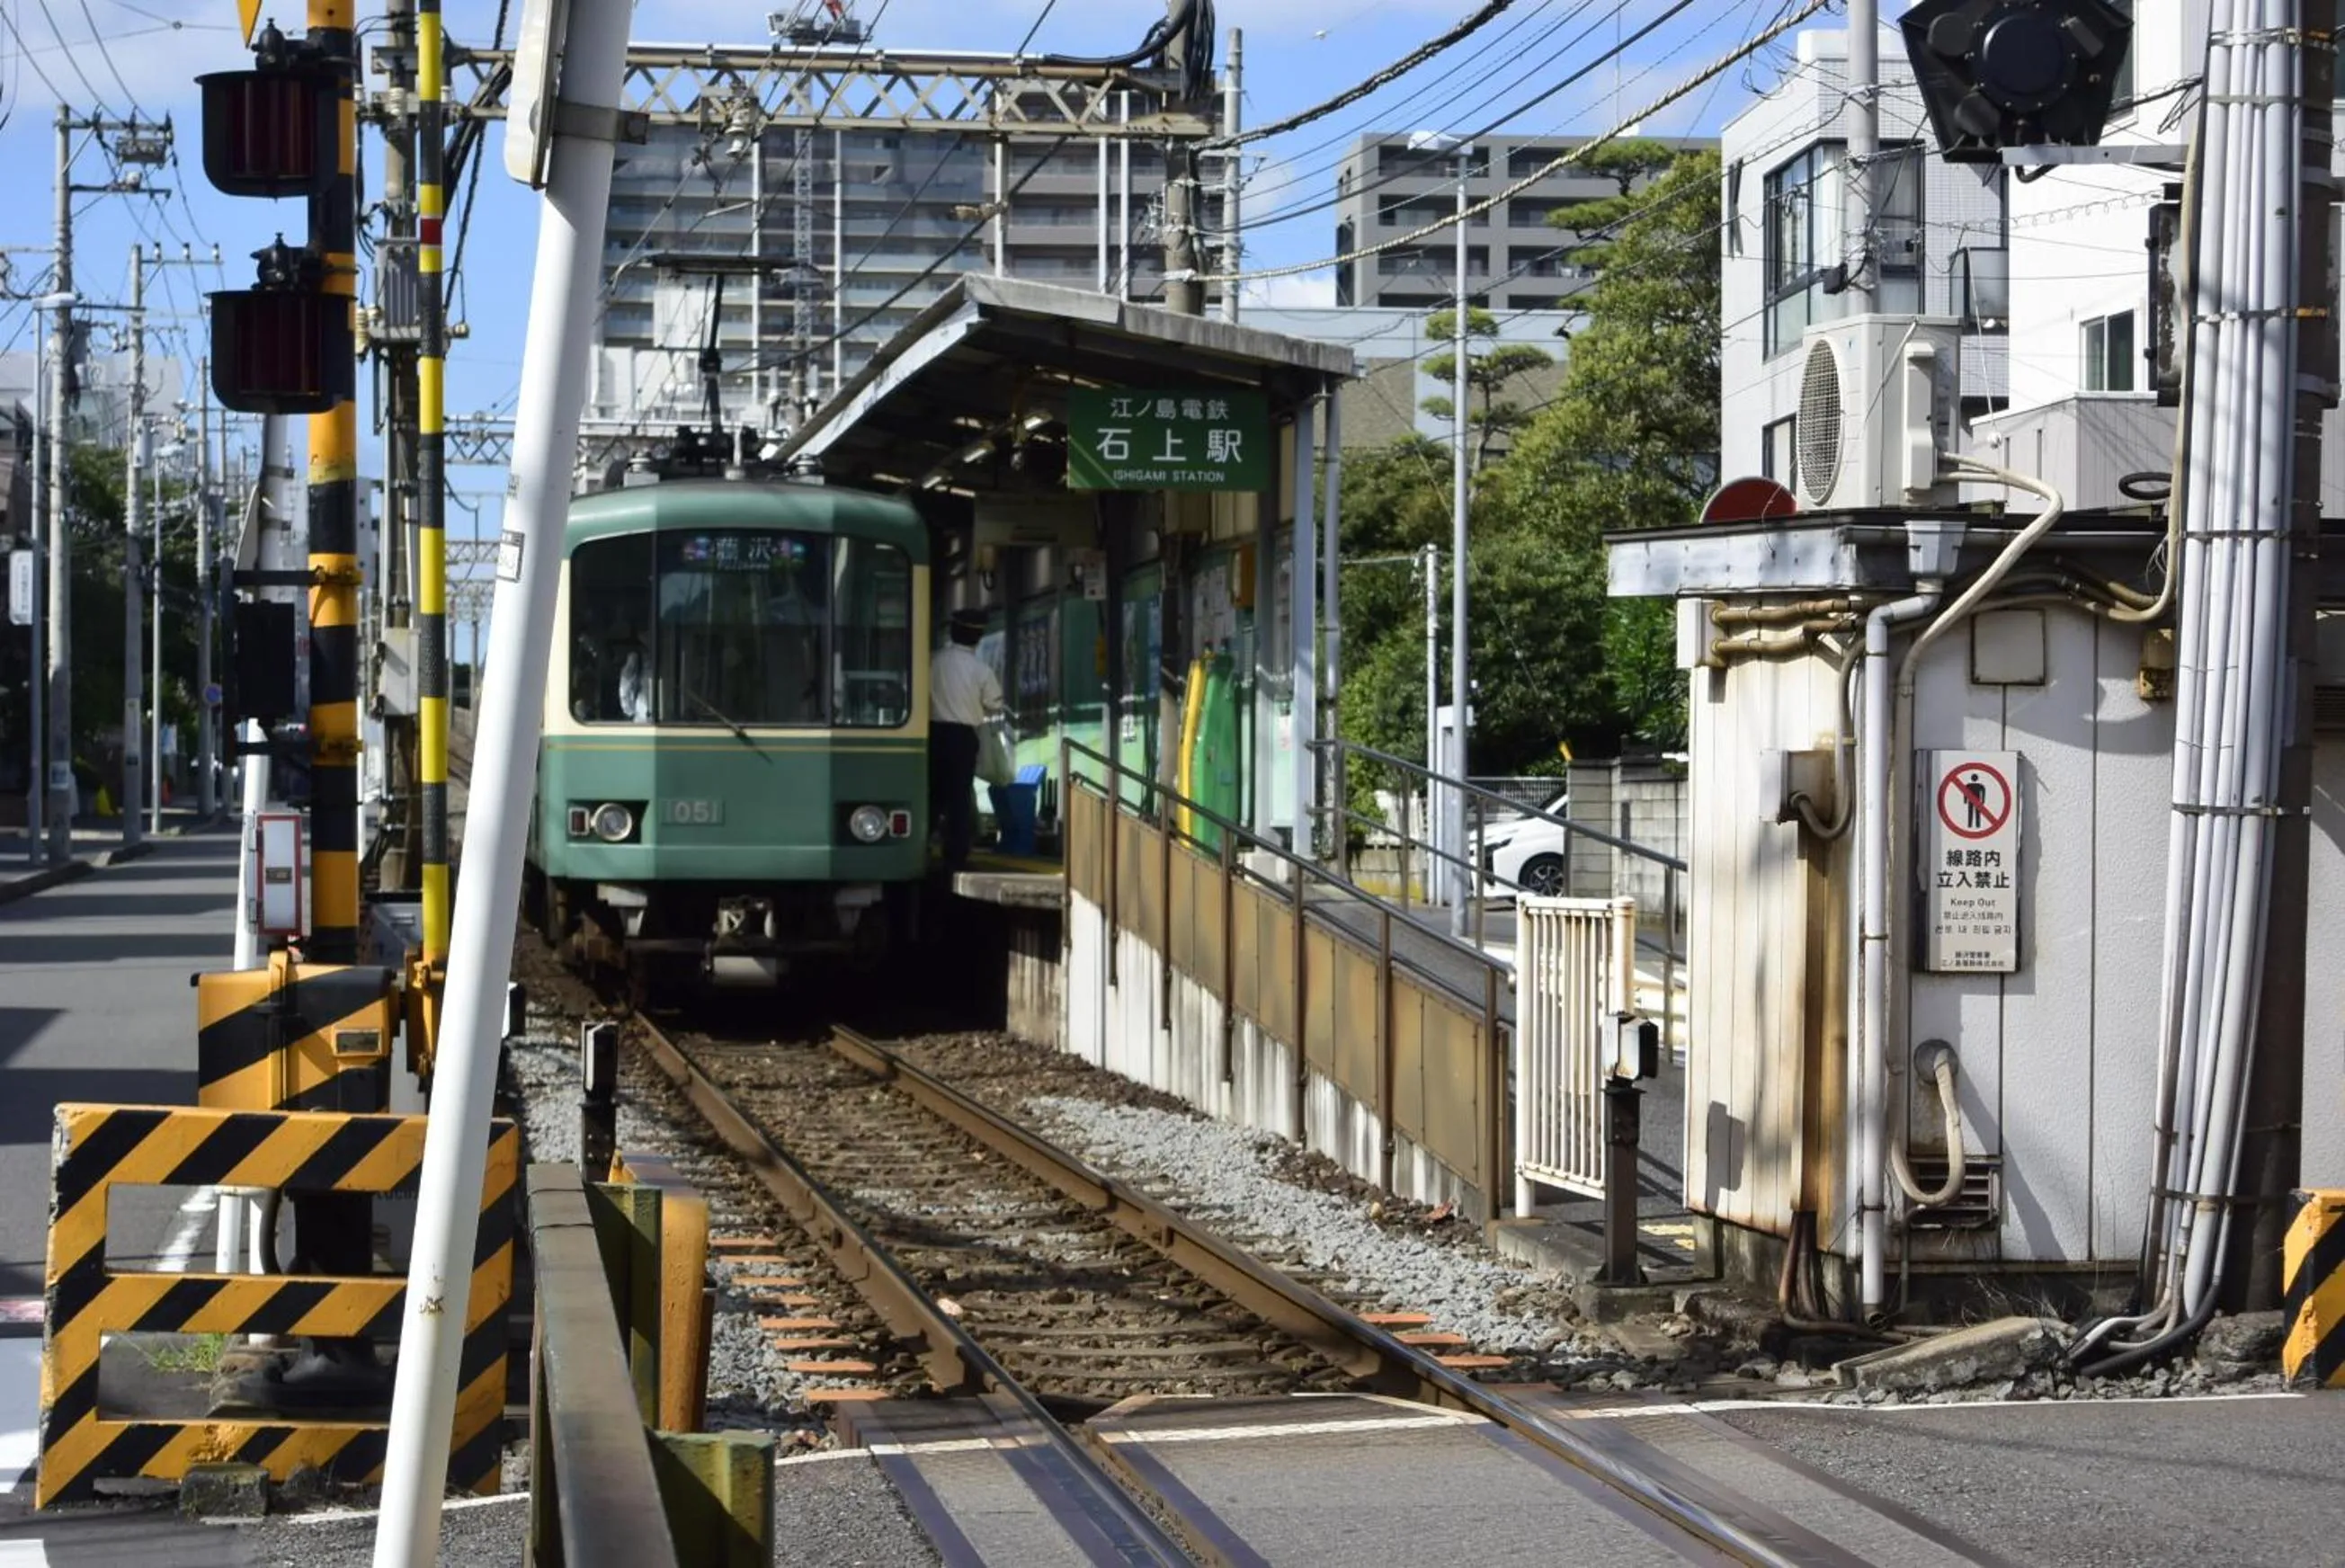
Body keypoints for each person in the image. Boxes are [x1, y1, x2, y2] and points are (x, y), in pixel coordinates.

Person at [929, 608, 1003, 872]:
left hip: (932, 734)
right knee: (959, 796)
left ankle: (920, 847)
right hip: (963, 737)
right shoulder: (981, 670)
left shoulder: (933, 661)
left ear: (952, 632)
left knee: (932, 794)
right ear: (979, 637)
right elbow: (994, 703)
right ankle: (955, 855)